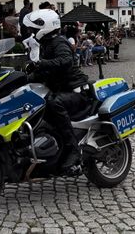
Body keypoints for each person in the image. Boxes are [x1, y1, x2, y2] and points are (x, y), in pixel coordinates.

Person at [23, 9, 89, 171]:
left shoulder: (59, 42)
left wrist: (41, 64)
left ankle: (73, 150)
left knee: (52, 103)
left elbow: (65, 60)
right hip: (63, 90)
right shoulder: (46, 44)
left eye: (34, 29)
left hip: (76, 91)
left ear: (44, 27)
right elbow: (42, 72)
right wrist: (19, 78)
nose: (32, 32)